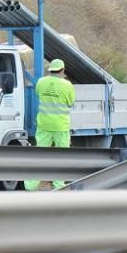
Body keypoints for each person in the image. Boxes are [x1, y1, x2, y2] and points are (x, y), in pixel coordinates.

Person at [25, 58, 75, 191]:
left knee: (39, 156)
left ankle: (30, 185)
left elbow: (37, 93)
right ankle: (58, 185)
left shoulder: (41, 82)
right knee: (62, 157)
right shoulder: (67, 85)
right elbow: (71, 103)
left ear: (50, 70)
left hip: (44, 125)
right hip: (61, 126)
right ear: (63, 70)